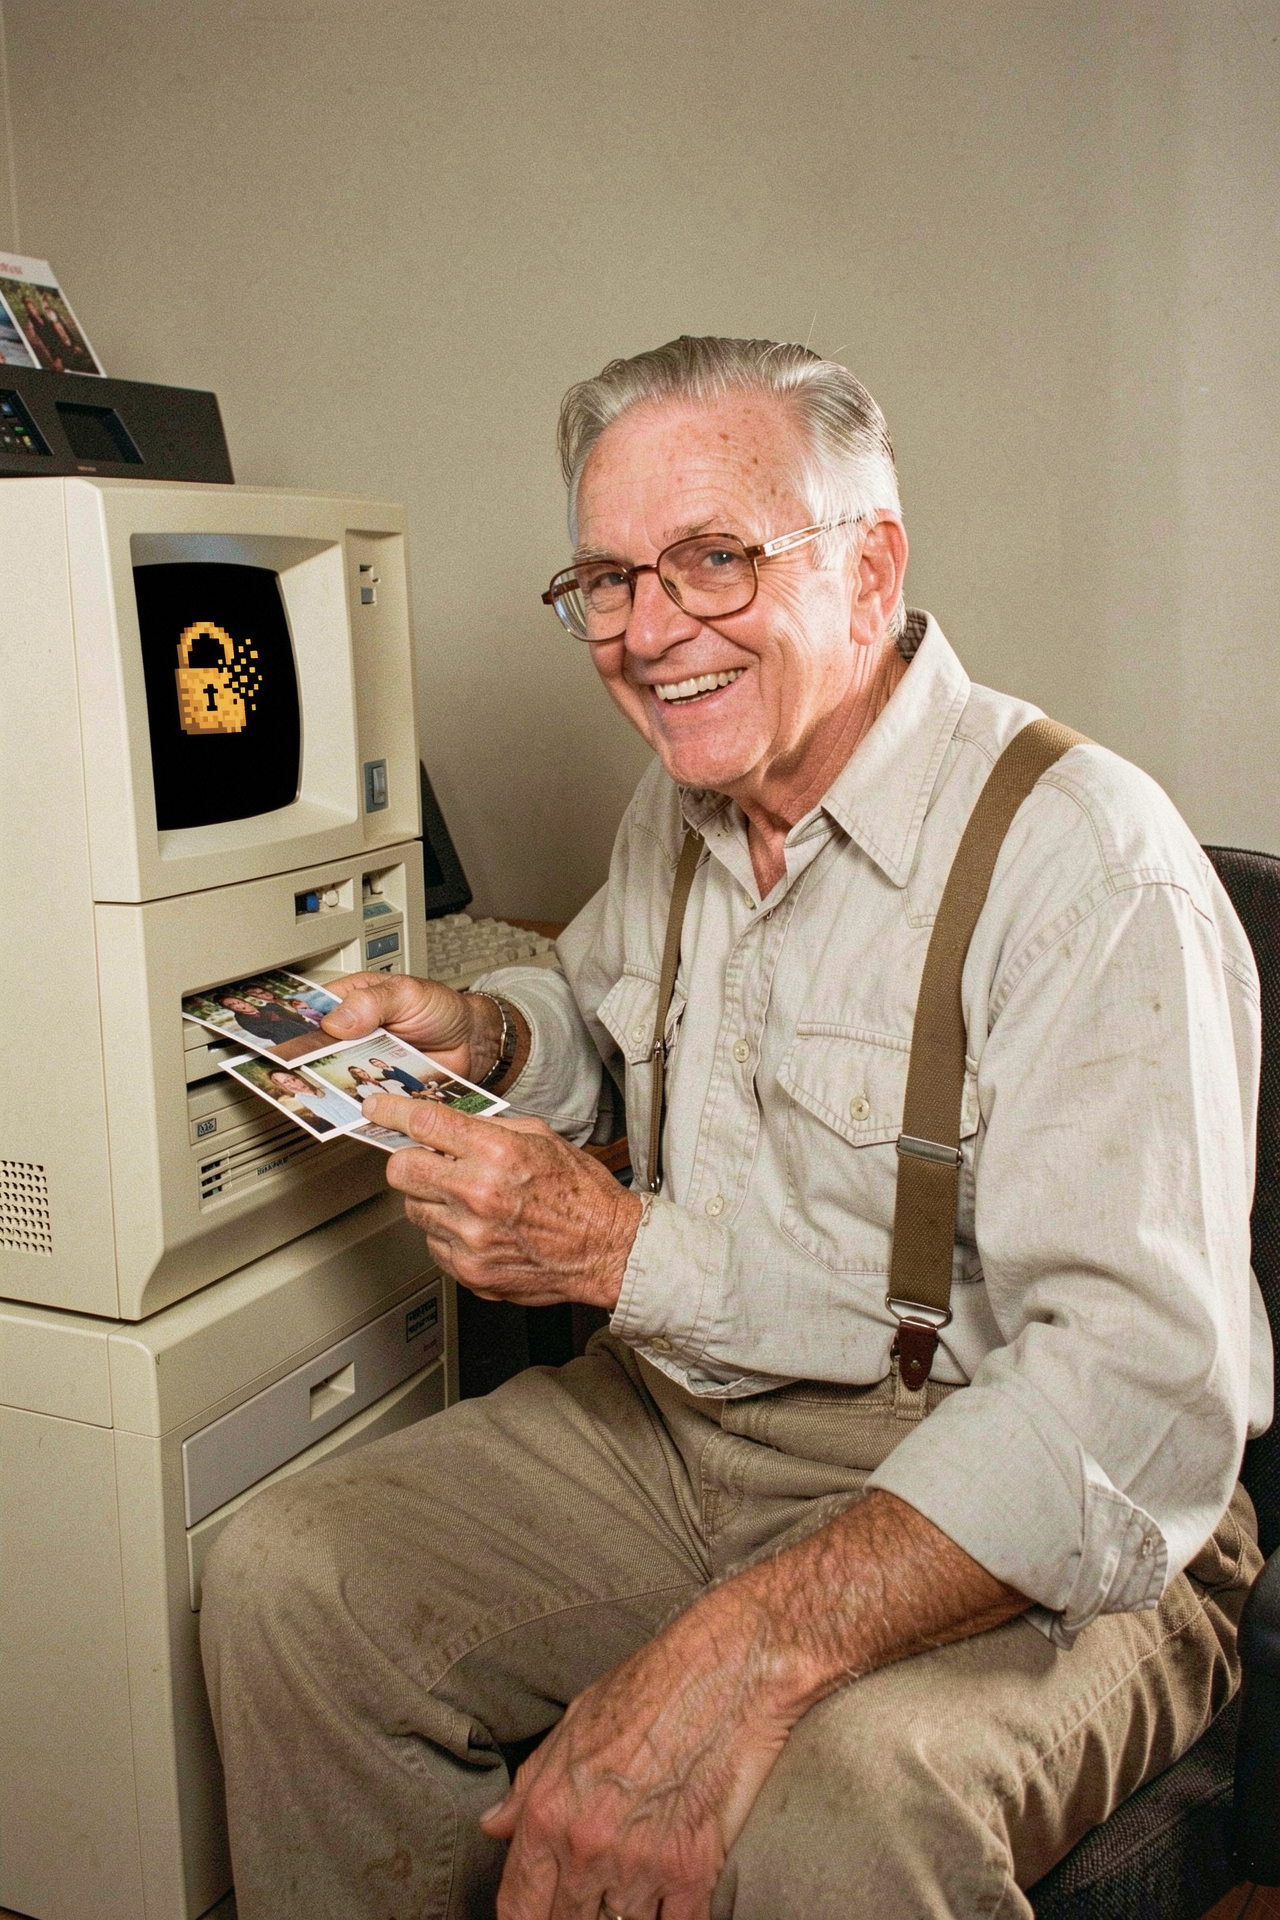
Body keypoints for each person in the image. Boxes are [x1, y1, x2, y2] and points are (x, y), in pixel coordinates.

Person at [201, 336, 1269, 1920]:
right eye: (608, 580)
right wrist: (495, 1030)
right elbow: (602, 1002)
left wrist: (741, 1647)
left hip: (1005, 1482)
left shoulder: (1089, 866)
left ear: (869, 565)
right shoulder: (689, 800)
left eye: (711, 560)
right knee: (288, 1588)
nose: (648, 634)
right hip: (679, 1432)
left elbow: (1137, 1400)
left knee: (829, 1819)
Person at [263, 1066, 352, 1134]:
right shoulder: (298, 1102)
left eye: (293, 1078)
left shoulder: (326, 1087)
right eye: (286, 1082)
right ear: (284, 1087)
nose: (292, 1082)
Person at [218, 991, 318, 1048]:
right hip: (287, 1041)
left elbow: (295, 1017)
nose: (237, 1005)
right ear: (231, 1009)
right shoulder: (244, 1020)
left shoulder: (271, 1007)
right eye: (232, 1005)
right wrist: (275, 1020)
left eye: (237, 1002)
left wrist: (311, 1026)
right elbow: (262, 1033)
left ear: (244, 1002)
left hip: (305, 1030)